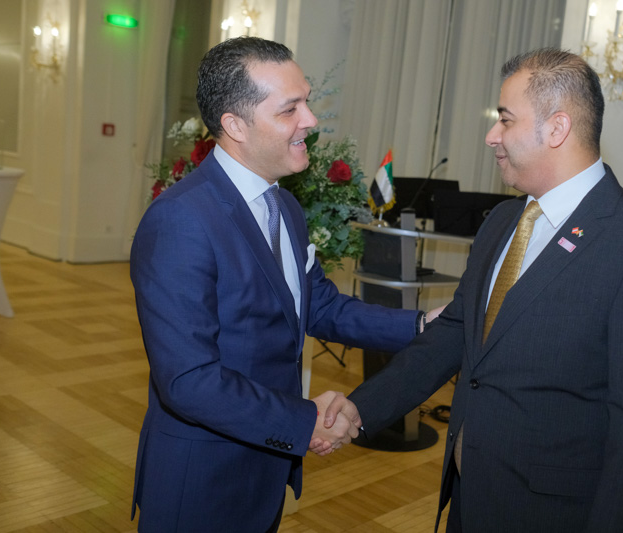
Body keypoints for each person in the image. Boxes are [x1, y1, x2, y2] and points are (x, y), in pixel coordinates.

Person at [323, 48, 623, 532]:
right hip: (469, 496)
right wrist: (360, 408)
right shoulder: (503, 220)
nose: (491, 135)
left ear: (557, 128)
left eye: (505, 119)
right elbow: (454, 335)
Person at [130, 36, 434, 533]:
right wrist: (303, 421)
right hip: (203, 480)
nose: (310, 120)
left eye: (306, 102)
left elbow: (318, 306)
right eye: (290, 109)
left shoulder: (284, 205)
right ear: (235, 125)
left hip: (265, 468)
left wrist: (421, 325)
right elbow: (188, 380)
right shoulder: (181, 220)